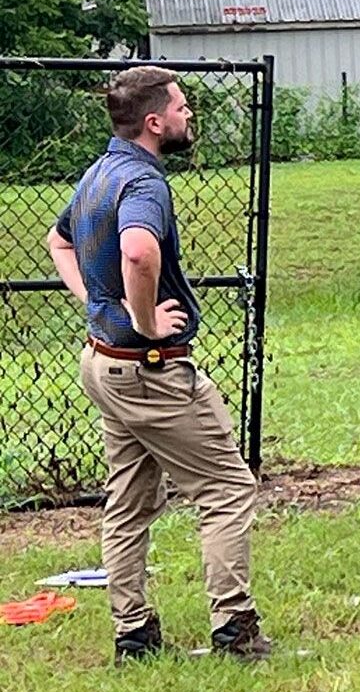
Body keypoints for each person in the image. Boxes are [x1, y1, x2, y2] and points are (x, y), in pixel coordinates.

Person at [44, 68, 269, 661]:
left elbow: (58, 240)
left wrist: (99, 304)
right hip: (149, 369)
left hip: (103, 365)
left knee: (128, 501)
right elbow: (139, 250)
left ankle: (134, 634)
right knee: (226, 488)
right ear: (154, 122)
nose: (188, 114)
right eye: (181, 106)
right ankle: (235, 631)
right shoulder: (142, 182)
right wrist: (142, 320)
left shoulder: (98, 173)